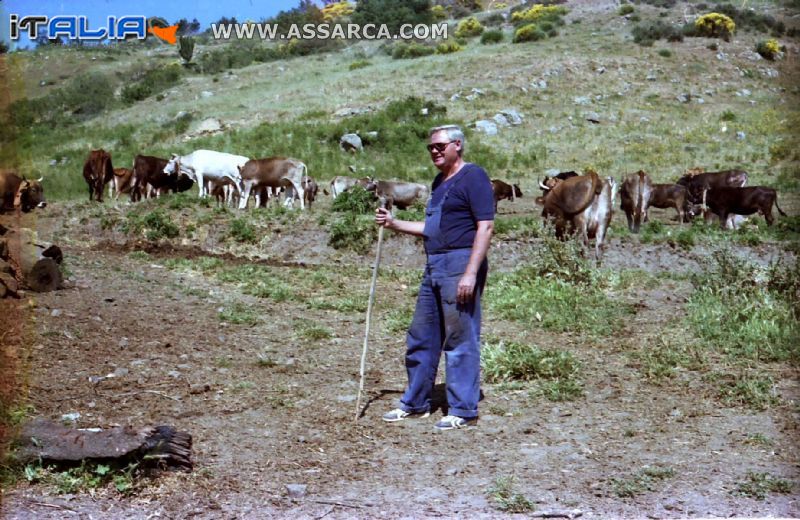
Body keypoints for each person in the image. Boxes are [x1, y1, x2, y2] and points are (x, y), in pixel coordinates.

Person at [375, 124, 494, 431]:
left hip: (460, 262)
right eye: (431, 147)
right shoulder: (440, 181)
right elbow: (432, 228)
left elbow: (485, 227)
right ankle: (415, 403)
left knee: (460, 336)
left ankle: (463, 409)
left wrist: (470, 273)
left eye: (441, 146)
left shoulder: (474, 177)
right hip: (435, 264)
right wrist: (394, 223)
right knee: (421, 335)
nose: (435, 151)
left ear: (458, 146)